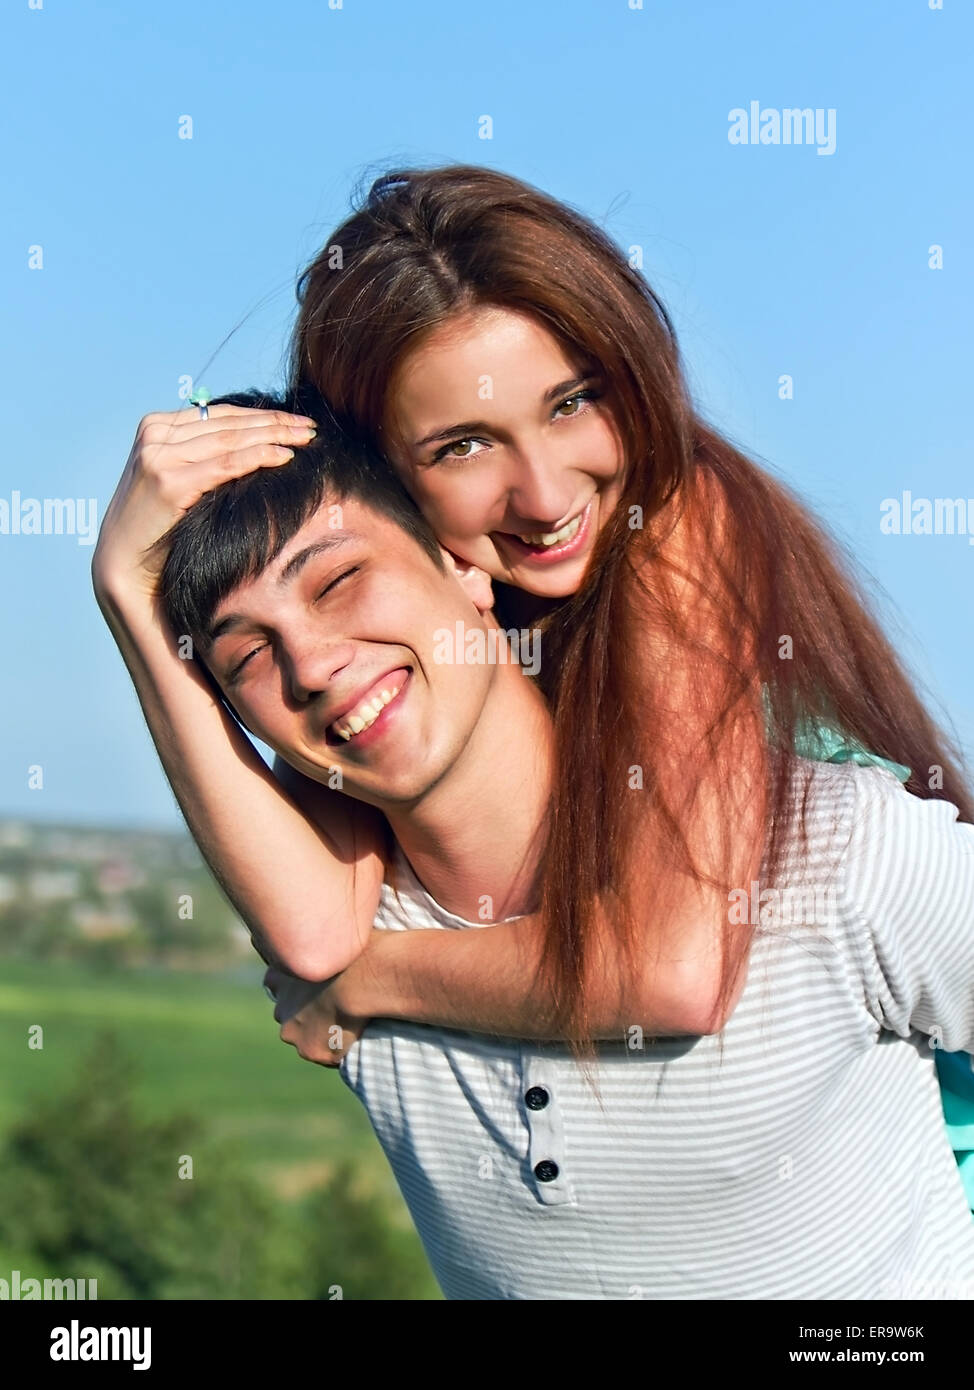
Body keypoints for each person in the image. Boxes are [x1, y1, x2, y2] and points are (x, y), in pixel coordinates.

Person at [147, 388, 974, 1300]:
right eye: (249, 659)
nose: (311, 665)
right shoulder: (335, 960)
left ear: (464, 568)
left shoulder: (832, 849)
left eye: (340, 582)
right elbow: (303, 930)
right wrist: (122, 590)